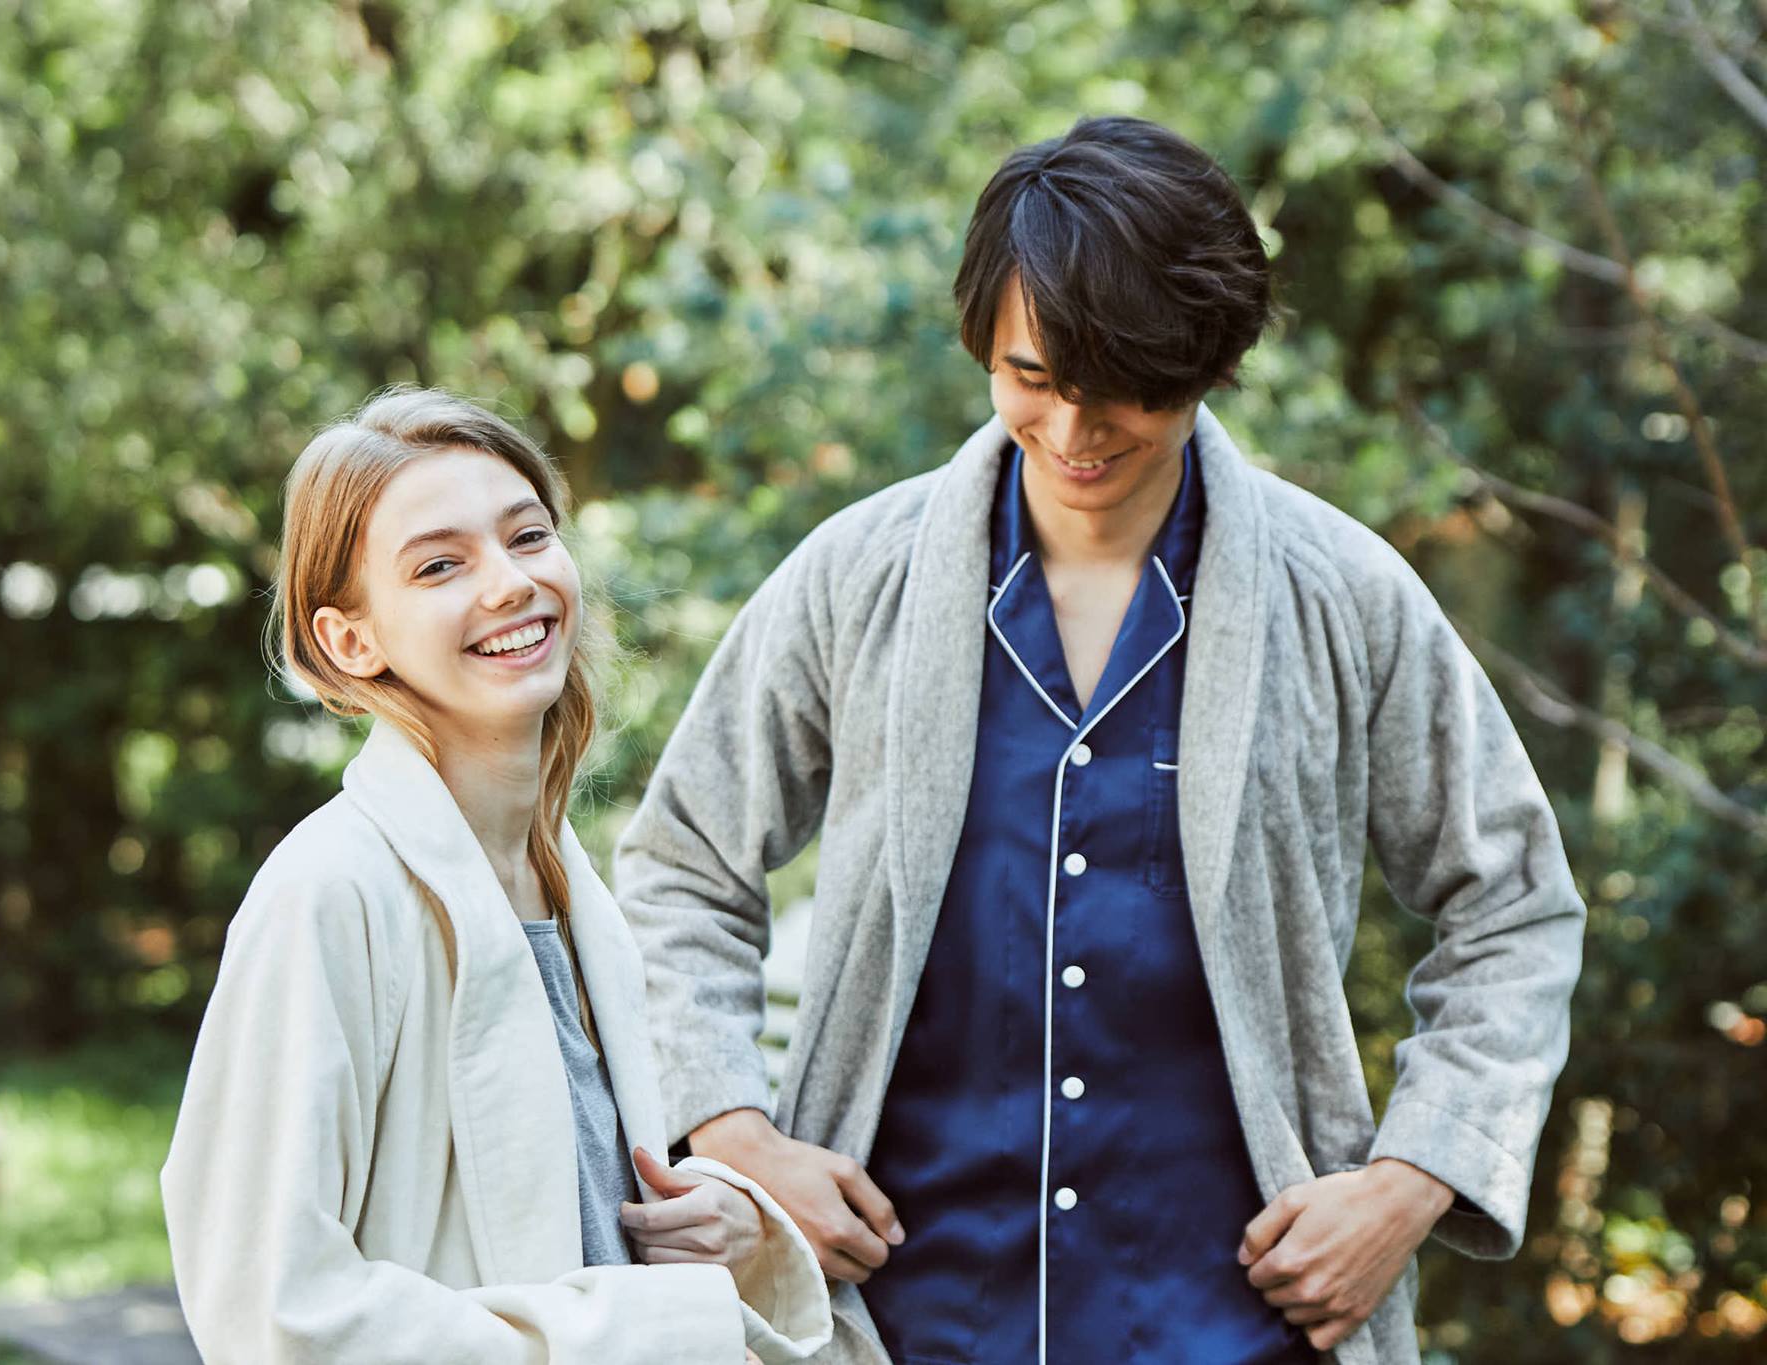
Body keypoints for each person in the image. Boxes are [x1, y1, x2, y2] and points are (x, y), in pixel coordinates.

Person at [612, 116, 1586, 1365]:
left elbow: (1511, 907)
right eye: (1030, 376)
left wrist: (1411, 1179)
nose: (1072, 431)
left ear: (1208, 356)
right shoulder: (855, 580)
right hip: (901, 1321)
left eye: (1124, 382)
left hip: (1239, 1328)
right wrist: (736, 1136)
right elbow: (680, 868)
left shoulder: (1344, 596)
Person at [161, 387, 832, 1364]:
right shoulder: (330, 892)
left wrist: (724, 1232)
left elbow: (582, 1233)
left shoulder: (569, 892)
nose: (510, 582)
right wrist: (636, 1331)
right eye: (440, 564)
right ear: (350, 639)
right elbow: (267, 1307)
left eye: (527, 537)